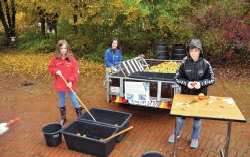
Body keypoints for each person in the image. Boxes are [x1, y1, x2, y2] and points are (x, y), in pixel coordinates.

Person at [168, 38, 215, 149]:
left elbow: (212, 79)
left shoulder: (206, 64)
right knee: (180, 118)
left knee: (197, 121)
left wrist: (201, 84)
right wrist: (187, 83)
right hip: (185, 95)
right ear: (188, 51)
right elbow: (177, 78)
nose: (194, 53)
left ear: (200, 51)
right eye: (191, 50)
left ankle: (194, 138)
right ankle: (176, 133)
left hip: (200, 96)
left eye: (196, 50)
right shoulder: (184, 62)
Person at [48, 40, 81, 125]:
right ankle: (63, 117)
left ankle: (80, 115)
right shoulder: (55, 59)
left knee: (74, 99)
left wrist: (70, 81)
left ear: (67, 49)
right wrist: (56, 71)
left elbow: (76, 71)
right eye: (61, 48)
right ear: (58, 48)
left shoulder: (71, 59)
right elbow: (51, 68)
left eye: (65, 48)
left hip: (70, 84)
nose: (63, 50)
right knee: (61, 99)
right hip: (60, 84)